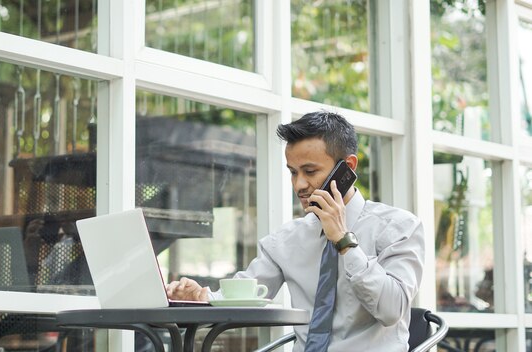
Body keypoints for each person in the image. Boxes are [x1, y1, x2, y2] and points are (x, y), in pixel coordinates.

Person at [166, 110, 425, 351]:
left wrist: (344, 240)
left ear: (348, 167)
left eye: (310, 171)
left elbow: (392, 309)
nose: (300, 184)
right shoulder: (286, 241)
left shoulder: (399, 227)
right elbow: (245, 293)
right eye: (293, 172)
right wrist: (201, 296)